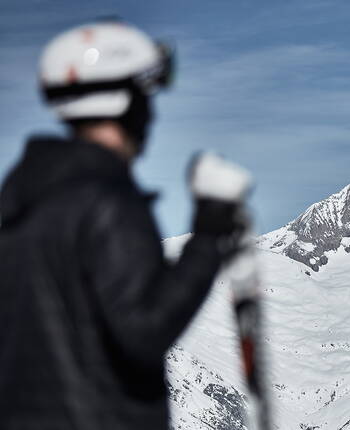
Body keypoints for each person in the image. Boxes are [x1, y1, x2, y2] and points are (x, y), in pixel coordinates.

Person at [0, 21, 252, 429]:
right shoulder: (106, 200)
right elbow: (145, 330)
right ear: (129, 104)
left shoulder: (19, 203)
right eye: (145, 96)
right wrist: (209, 233)